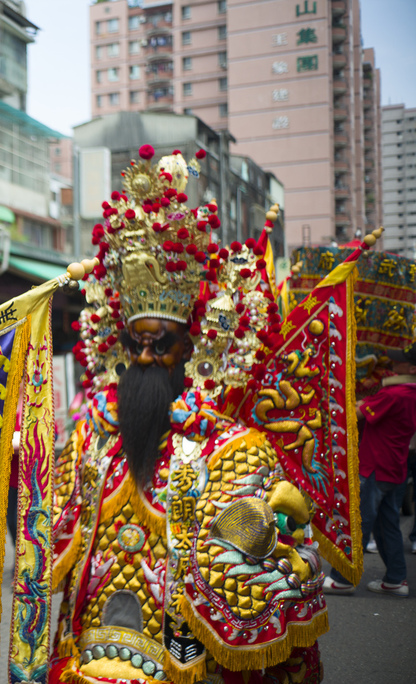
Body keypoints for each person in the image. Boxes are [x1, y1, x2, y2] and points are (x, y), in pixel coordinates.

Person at [51, 147, 326, 683]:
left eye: (163, 345)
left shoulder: (232, 448)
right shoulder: (91, 435)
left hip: (180, 657)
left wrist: (257, 532)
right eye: (137, 344)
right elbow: (47, 532)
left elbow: (274, 565)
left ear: (193, 346)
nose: (147, 359)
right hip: (90, 651)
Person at [323, 344, 416, 597]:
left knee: (359, 522)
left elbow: (356, 413)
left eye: (399, 362)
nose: (392, 364)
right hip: (396, 468)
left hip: (376, 466)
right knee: (388, 526)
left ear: (412, 368)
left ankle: (343, 578)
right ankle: (396, 579)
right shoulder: (407, 392)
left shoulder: (396, 393)